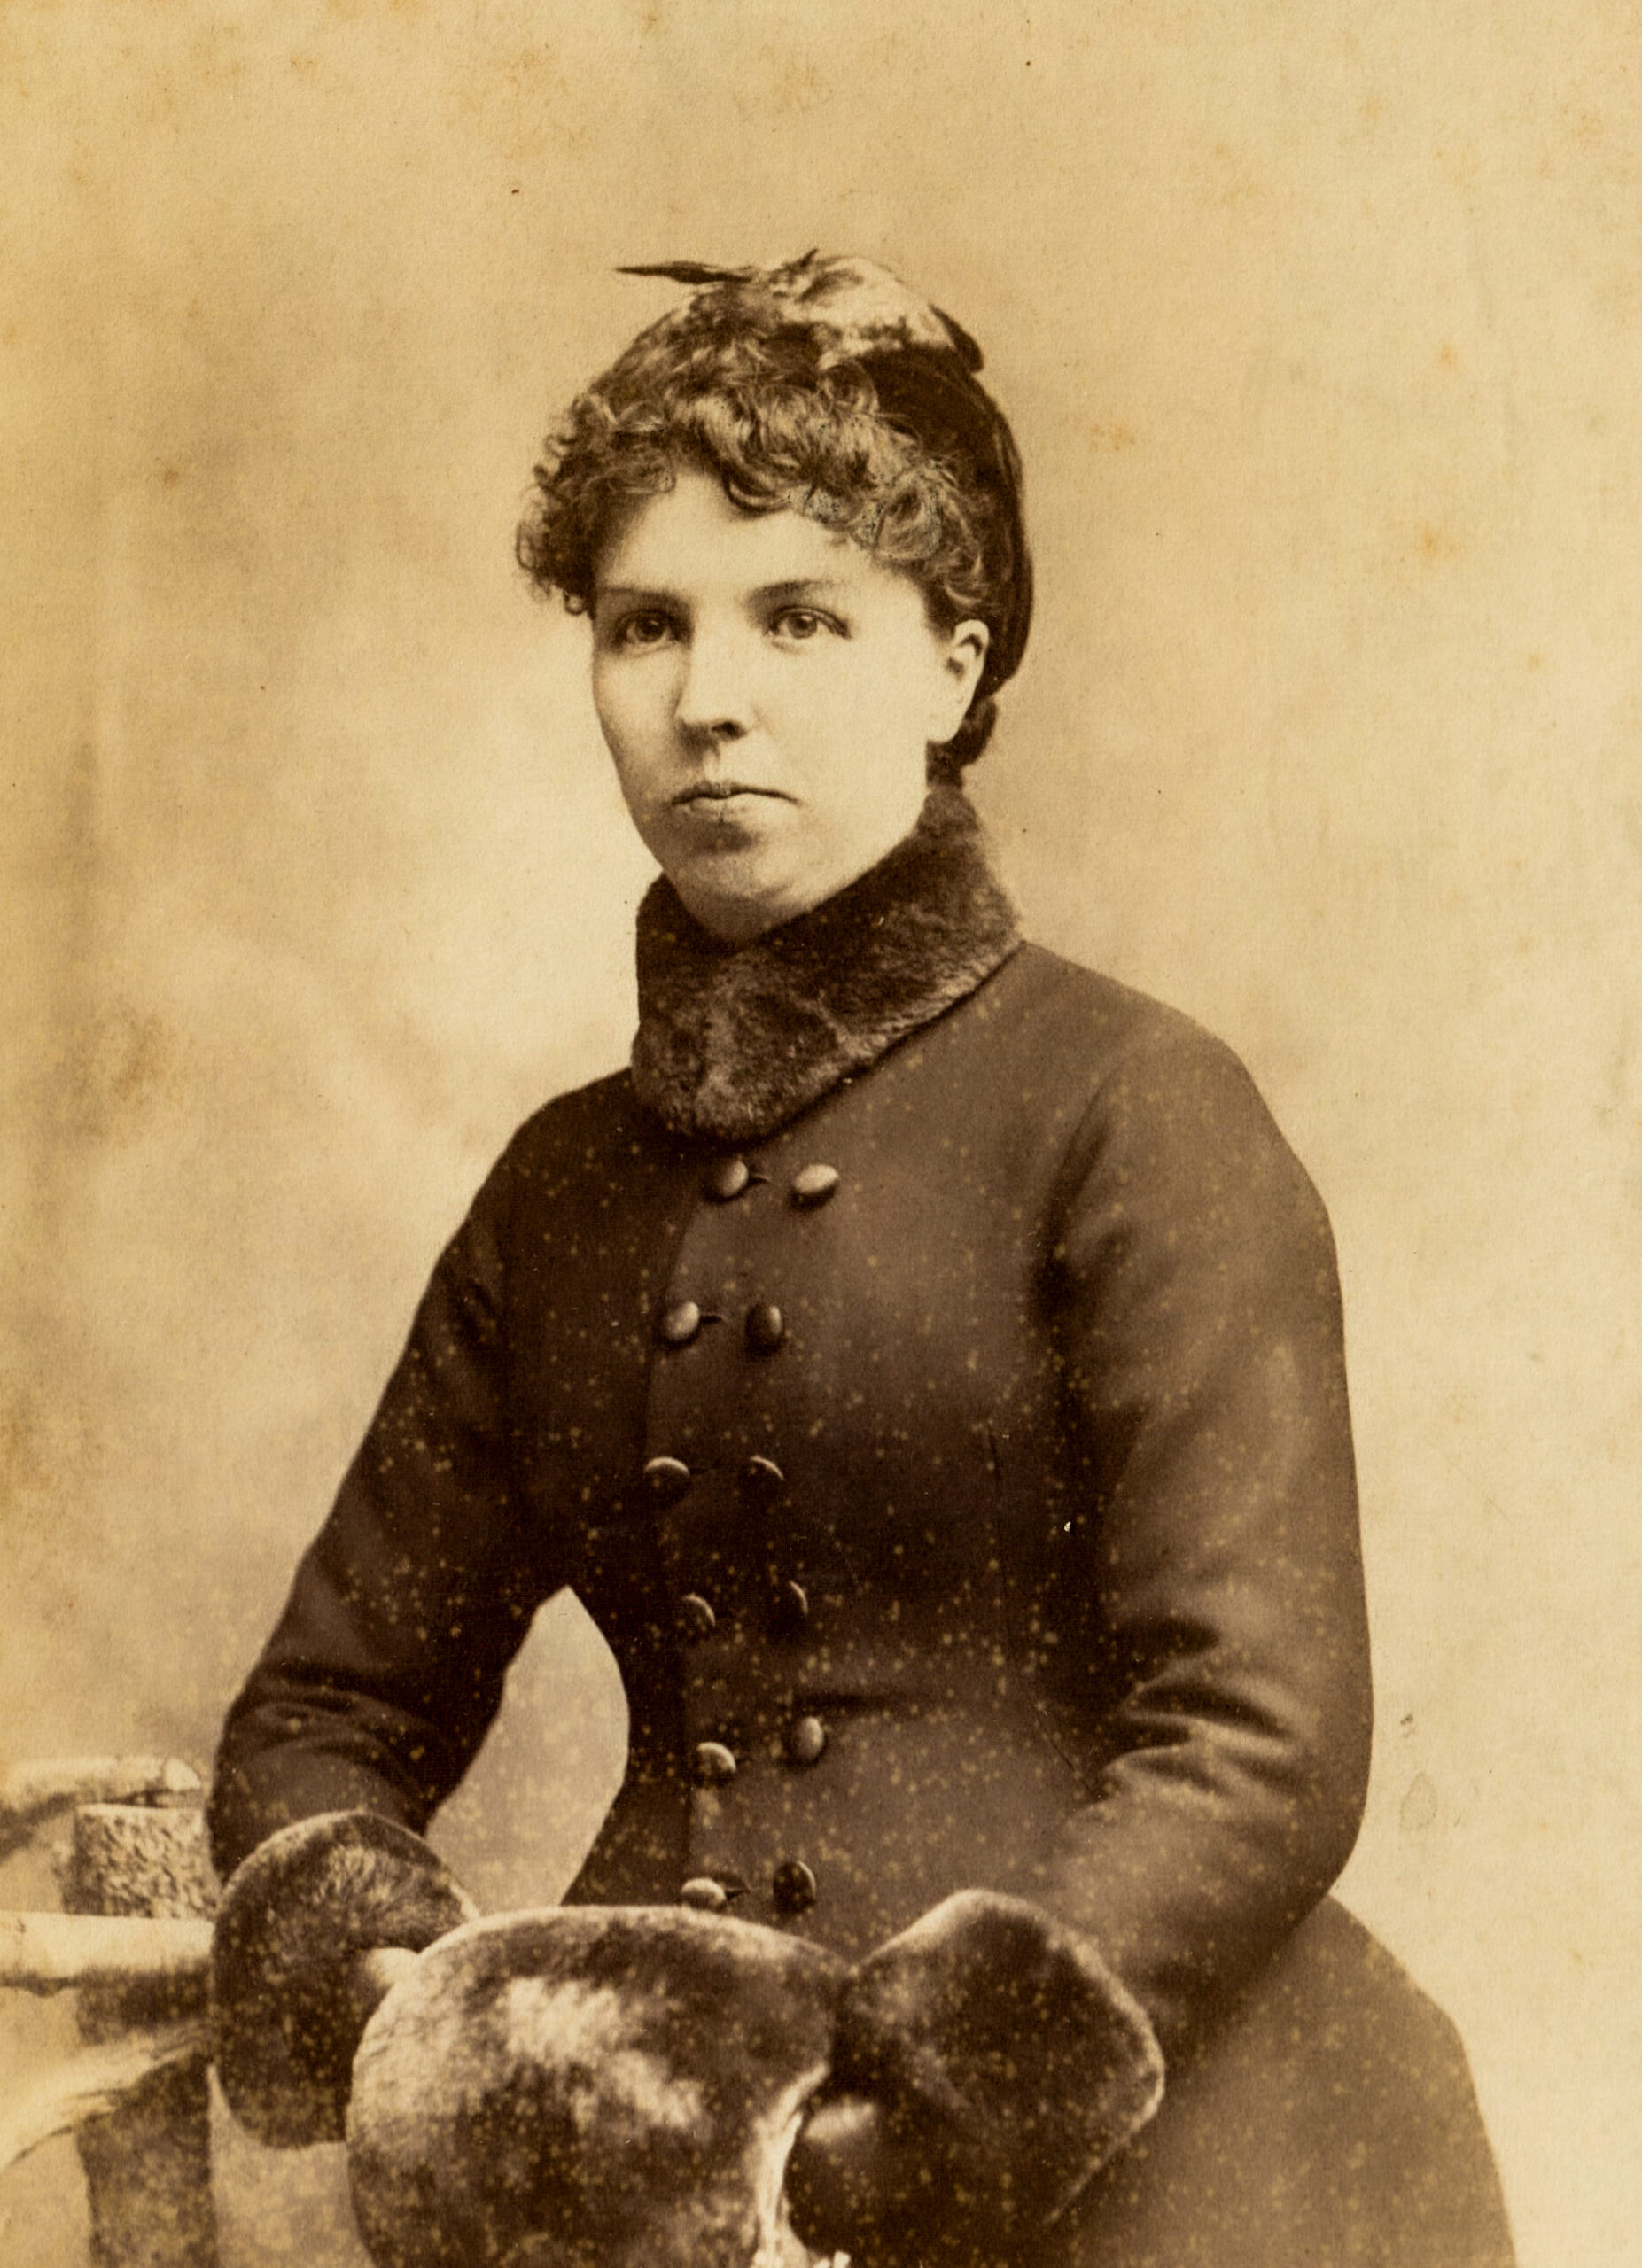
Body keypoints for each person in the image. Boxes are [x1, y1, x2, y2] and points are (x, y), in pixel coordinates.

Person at [207, 254, 1514, 2266]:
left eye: (800, 617)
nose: (707, 695)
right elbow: (320, 1717)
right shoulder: (558, 1191)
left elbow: (1259, 1737)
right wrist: (442, 2026)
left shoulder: (1134, 1107)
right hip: (653, 2192)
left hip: (1158, 2164)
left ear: (952, 663)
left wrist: (928, 2106)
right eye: (646, 624)